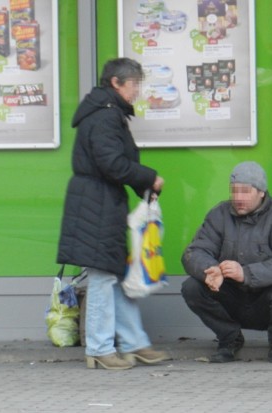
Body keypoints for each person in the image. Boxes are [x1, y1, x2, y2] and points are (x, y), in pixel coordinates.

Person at [57, 58, 170, 370]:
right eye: (134, 84)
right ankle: (99, 348)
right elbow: (112, 163)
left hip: (100, 201)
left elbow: (113, 163)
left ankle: (135, 344)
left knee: (116, 275)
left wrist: (143, 184)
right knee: (103, 277)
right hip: (96, 203)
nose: (137, 91)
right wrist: (148, 178)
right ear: (116, 83)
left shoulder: (106, 113)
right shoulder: (106, 117)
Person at [181, 161, 272, 363]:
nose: (238, 198)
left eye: (245, 192)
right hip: (230, 296)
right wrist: (210, 270)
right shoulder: (219, 214)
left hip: (266, 300)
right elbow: (194, 251)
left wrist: (246, 274)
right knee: (191, 287)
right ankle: (229, 339)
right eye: (234, 191)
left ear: (262, 193)